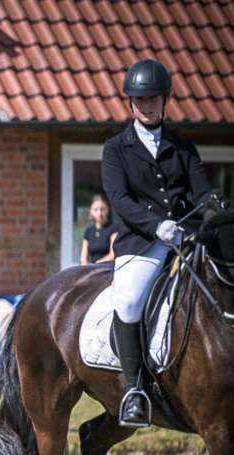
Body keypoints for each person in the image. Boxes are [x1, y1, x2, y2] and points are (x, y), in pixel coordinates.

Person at [101, 58, 212, 427]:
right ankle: (134, 390)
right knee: (129, 298)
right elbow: (119, 200)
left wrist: (211, 215)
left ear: (165, 100)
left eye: (153, 98)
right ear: (130, 102)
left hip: (186, 237)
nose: (146, 104)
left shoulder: (183, 146)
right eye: (139, 98)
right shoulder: (116, 148)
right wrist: (156, 225)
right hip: (143, 241)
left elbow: (202, 193)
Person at [79, 194, 119, 265]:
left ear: (108, 209)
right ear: (90, 211)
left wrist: (95, 264)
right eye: (95, 210)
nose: (99, 213)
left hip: (108, 269)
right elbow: (83, 258)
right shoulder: (89, 231)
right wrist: (85, 268)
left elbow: (113, 255)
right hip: (92, 270)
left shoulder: (114, 228)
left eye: (102, 209)